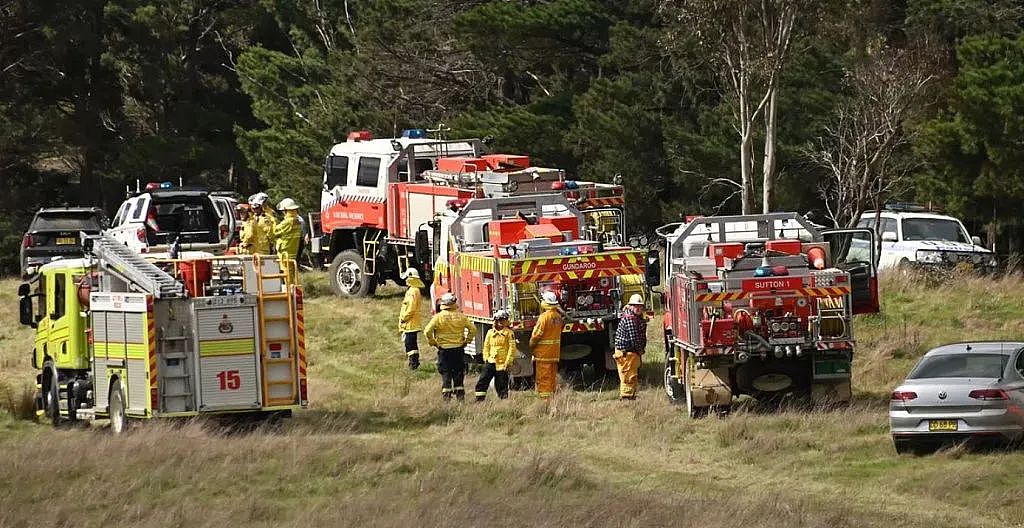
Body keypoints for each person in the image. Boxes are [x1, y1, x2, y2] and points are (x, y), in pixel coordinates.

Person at [423, 292, 476, 401]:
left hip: (444, 350)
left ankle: (446, 397)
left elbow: (427, 331)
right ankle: (460, 396)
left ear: (443, 304)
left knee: (446, 372)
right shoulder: (461, 316)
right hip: (458, 349)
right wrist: (467, 341)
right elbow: (473, 329)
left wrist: (433, 342)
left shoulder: (438, 317)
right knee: (458, 372)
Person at [474, 310, 517, 401]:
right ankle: (479, 400)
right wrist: (486, 358)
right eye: (499, 320)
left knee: (501, 384)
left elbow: (512, 349)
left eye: (503, 320)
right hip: (491, 362)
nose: (501, 322)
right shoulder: (490, 333)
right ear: (495, 321)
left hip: (502, 364)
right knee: (482, 381)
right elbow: (486, 346)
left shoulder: (509, 333)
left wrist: (508, 362)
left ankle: (503, 402)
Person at [529, 291, 563, 399]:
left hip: (543, 354)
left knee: (544, 378)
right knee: (552, 377)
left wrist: (531, 344)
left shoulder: (544, 317)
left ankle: (545, 400)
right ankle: (553, 397)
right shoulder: (558, 316)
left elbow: (537, 335)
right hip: (554, 353)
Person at [614, 294, 648, 400]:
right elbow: (634, 339)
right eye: (635, 306)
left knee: (630, 375)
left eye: (640, 306)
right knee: (628, 377)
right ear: (630, 306)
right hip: (627, 352)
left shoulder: (633, 317)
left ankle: (630, 396)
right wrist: (640, 350)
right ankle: (626, 398)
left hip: (628, 353)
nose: (638, 308)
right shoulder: (630, 319)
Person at [398, 268, 425, 370]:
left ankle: (413, 364)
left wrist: (404, 319)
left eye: (406, 278)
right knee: (410, 344)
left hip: (411, 324)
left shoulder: (413, 291)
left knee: (410, 345)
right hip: (411, 323)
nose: (405, 281)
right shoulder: (413, 290)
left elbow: (411, 308)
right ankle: (414, 363)